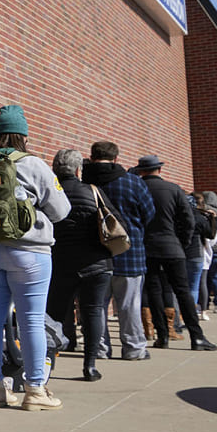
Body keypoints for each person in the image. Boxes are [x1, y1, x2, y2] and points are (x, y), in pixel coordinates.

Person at [0, 106, 70, 407]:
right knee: (31, 319)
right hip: (28, 251)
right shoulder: (34, 164)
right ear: (23, 136)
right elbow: (62, 211)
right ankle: (35, 390)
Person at [131, 157, 216, 351]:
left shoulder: (137, 189)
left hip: (146, 247)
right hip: (172, 246)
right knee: (182, 291)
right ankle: (197, 336)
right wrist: (182, 243)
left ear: (141, 171)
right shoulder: (174, 189)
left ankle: (162, 335)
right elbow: (188, 220)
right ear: (159, 170)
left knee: (153, 291)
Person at [82, 142, 154, 360]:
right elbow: (149, 214)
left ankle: (99, 349)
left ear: (92, 157)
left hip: (93, 254)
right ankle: (134, 348)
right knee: (130, 305)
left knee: (97, 306)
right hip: (129, 252)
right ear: (115, 158)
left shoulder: (83, 182)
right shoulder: (133, 183)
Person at [46, 150, 113, 380]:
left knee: (53, 314)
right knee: (93, 311)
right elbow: (115, 222)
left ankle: (47, 364)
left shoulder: (49, 193)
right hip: (95, 263)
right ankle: (90, 365)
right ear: (78, 170)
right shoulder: (93, 191)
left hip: (59, 262)